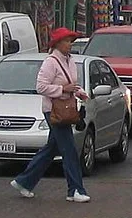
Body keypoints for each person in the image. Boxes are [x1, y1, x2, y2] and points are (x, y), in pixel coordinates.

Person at [11, 28, 91, 203]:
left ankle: (24, 181)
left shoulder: (70, 61)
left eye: (71, 41)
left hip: (65, 108)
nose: (70, 45)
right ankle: (75, 190)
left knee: (52, 148)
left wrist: (79, 92)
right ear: (58, 43)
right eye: (67, 41)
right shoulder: (50, 62)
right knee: (69, 150)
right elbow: (41, 87)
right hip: (54, 111)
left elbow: (71, 84)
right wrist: (62, 89)